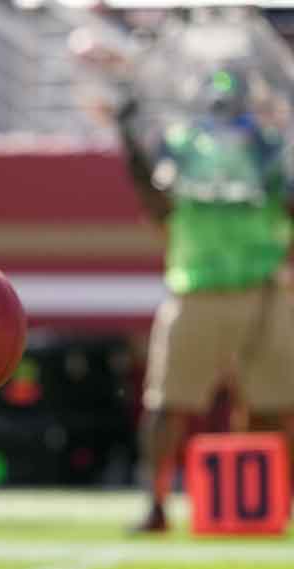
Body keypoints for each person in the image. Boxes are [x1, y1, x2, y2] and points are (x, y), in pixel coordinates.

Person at [117, 67, 294, 532]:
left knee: (273, 403)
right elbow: (156, 200)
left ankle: (269, 501)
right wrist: (130, 138)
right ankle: (155, 503)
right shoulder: (180, 146)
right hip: (194, 282)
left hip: (261, 283)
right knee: (168, 401)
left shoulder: (270, 146)